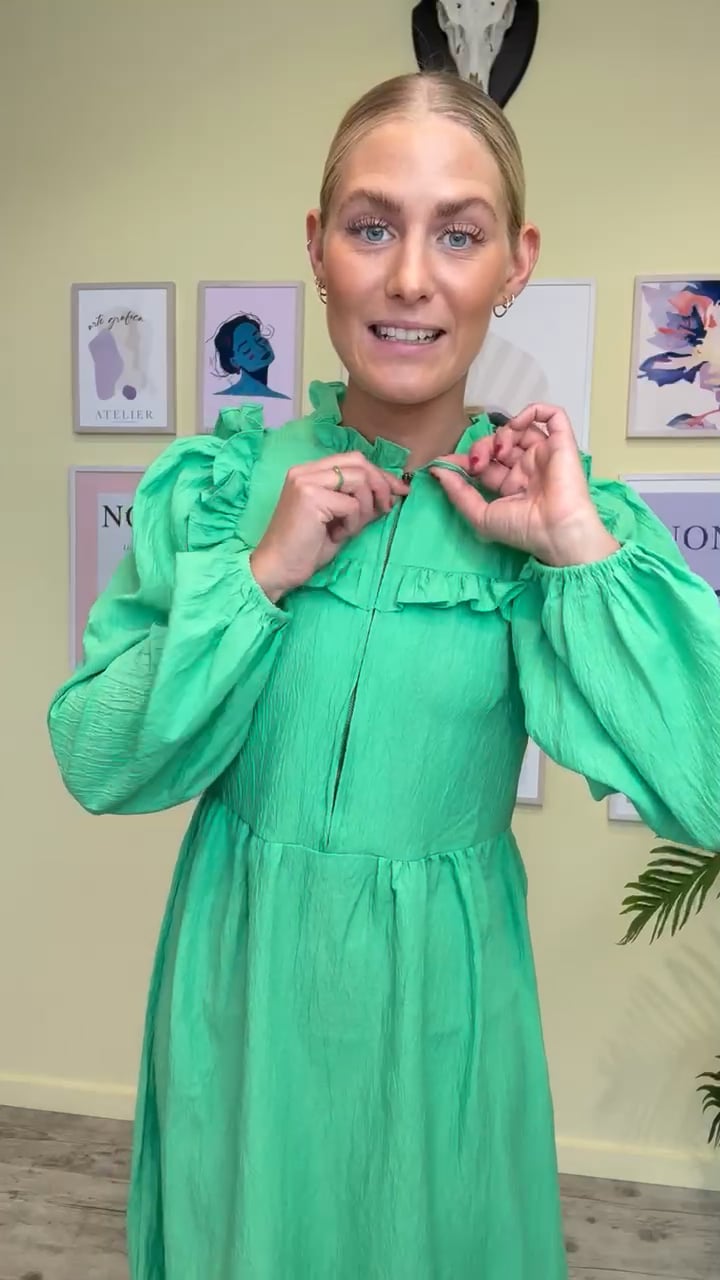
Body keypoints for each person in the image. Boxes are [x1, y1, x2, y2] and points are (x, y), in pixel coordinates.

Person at [47, 71, 720, 1280]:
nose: (411, 276)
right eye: (372, 227)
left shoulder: (557, 522)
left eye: (458, 234)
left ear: (514, 263)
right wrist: (259, 576)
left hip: (441, 1022)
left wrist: (574, 545)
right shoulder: (220, 494)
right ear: (319, 249)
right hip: (243, 1007)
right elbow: (99, 760)